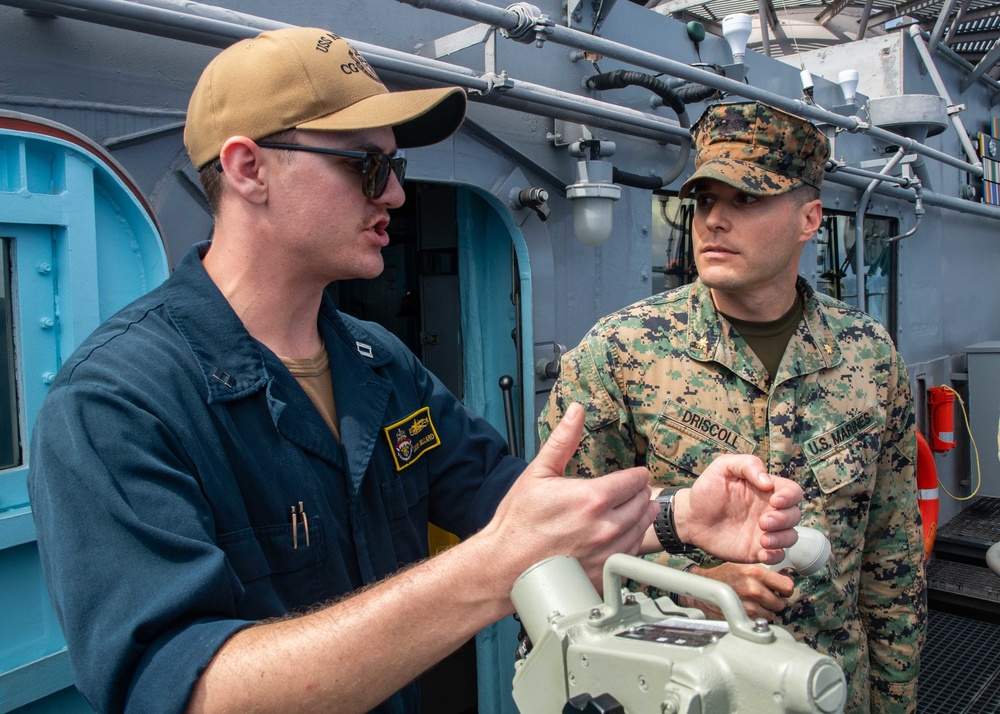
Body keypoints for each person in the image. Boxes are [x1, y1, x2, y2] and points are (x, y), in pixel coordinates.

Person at [28, 29, 806, 714]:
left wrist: (676, 515)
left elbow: (503, 501)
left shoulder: (376, 363)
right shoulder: (118, 404)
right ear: (248, 169)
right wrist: (488, 571)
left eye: (395, 167)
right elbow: (184, 691)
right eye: (367, 168)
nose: (396, 193)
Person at [540, 100, 927, 714]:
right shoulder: (618, 355)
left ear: (809, 219)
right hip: (685, 692)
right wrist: (690, 591)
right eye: (704, 201)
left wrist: (896, 700)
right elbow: (555, 560)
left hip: (832, 691)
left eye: (745, 200)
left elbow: (892, 555)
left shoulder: (869, 356)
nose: (713, 221)